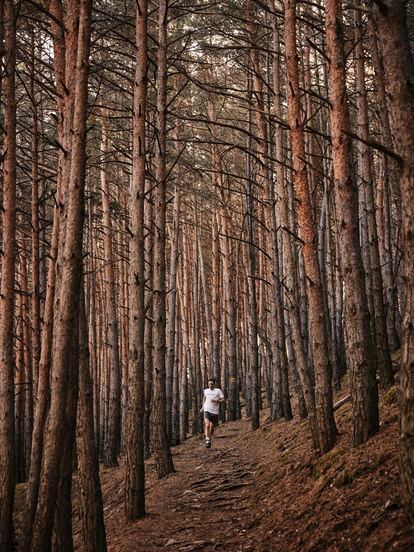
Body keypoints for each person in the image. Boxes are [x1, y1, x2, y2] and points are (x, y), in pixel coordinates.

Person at [200, 378, 225, 448]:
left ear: (214, 384)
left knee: (211, 428)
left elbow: (223, 399)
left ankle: (209, 438)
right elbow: (204, 399)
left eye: (212, 384)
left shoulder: (218, 391)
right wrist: (202, 407)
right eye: (209, 384)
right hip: (207, 409)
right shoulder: (206, 390)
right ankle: (207, 440)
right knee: (207, 425)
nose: (210, 385)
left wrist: (217, 401)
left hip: (215, 411)